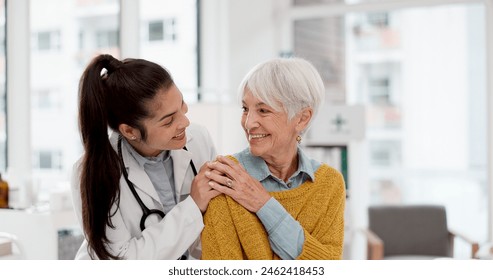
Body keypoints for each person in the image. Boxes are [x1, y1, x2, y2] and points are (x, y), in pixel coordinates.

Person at [71, 54, 220, 260]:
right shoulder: (93, 173)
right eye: (168, 121)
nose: (184, 122)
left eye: (182, 106)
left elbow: (216, 221)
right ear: (130, 131)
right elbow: (122, 259)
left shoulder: (198, 139)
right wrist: (193, 206)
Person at [200, 57, 346, 260]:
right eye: (245, 109)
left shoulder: (329, 183)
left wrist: (264, 204)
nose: (249, 123)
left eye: (263, 110)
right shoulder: (225, 177)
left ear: (302, 118)